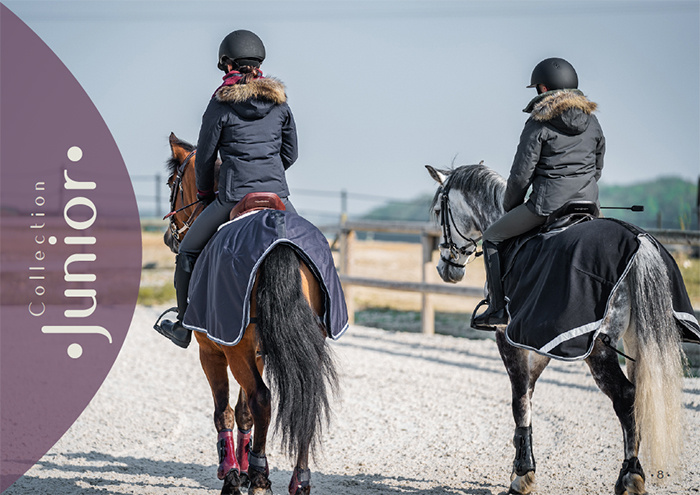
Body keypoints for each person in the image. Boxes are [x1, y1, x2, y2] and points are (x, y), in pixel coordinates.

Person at [155, 29, 299, 347]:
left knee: (188, 252)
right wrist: (269, 176)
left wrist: (206, 194)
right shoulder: (280, 104)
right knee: (309, 245)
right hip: (278, 195)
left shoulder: (220, 105)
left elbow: (204, 159)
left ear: (227, 64)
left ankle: (182, 325)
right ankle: (322, 316)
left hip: (233, 196)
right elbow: (291, 153)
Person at [472, 57, 606, 329]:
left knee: (492, 237)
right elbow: (597, 166)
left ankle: (497, 310)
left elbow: (521, 174)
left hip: (547, 207)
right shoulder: (592, 122)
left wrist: (511, 205)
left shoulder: (539, 122)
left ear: (543, 90)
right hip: (588, 205)